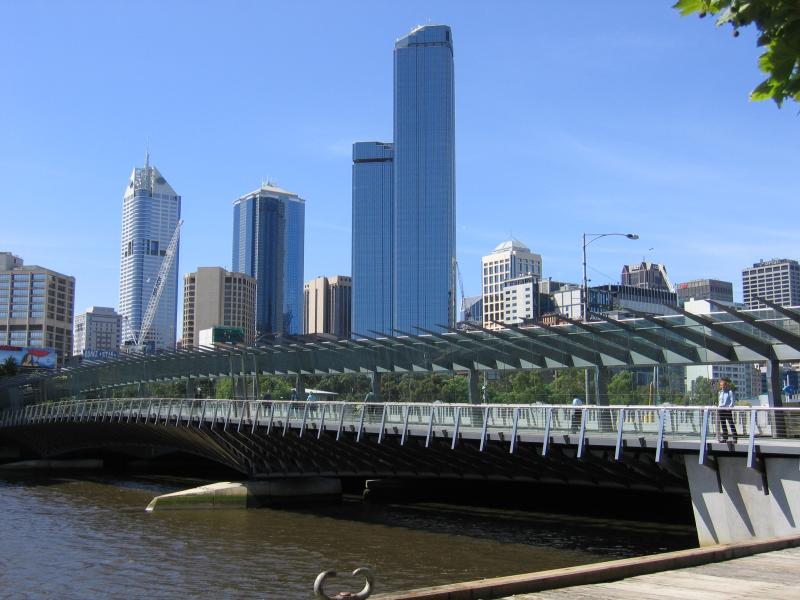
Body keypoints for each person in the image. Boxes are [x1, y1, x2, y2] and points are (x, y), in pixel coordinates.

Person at [717, 378, 738, 443]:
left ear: (726, 385)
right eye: (721, 385)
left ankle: (735, 438)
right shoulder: (720, 392)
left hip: (727, 410)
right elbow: (720, 401)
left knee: (731, 423)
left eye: (723, 385)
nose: (722, 387)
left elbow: (732, 401)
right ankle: (725, 438)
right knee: (723, 424)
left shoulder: (730, 392)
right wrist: (718, 407)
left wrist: (729, 407)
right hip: (721, 410)